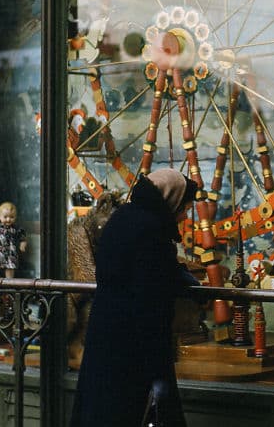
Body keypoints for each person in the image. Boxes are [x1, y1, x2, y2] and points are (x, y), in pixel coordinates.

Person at [70, 168, 200, 427]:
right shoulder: (152, 229)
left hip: (105, 334)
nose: (185, 215)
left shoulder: (123, 219)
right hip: (134, 345)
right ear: (169, 199)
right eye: (184, 208)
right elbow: (151, 287)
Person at [0, 201, 27, 278]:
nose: (8, 219)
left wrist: (22, 245)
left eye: (11, 217)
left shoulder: (16, 228)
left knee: (10, 266)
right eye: (5, 217)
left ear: (15, 217)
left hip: (10, 252)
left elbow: (23, 238)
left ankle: (9, 281)